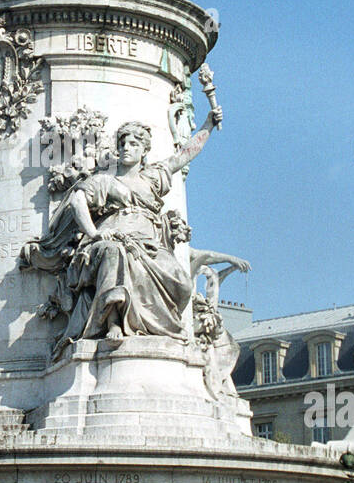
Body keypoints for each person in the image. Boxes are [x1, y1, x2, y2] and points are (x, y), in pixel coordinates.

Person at [21, 106, 221, 357]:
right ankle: (113, 320)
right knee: (114, 253)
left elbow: (184, 155)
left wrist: (208, 126)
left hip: (147, 245)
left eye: (134, 144)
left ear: (144, 150)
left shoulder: (153, 177)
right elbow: (77, 201)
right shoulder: (105, 180)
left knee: (181, 281)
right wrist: (93, 233)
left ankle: (162, 329)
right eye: (123, 143)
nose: (127, 148)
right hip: (110, 240)